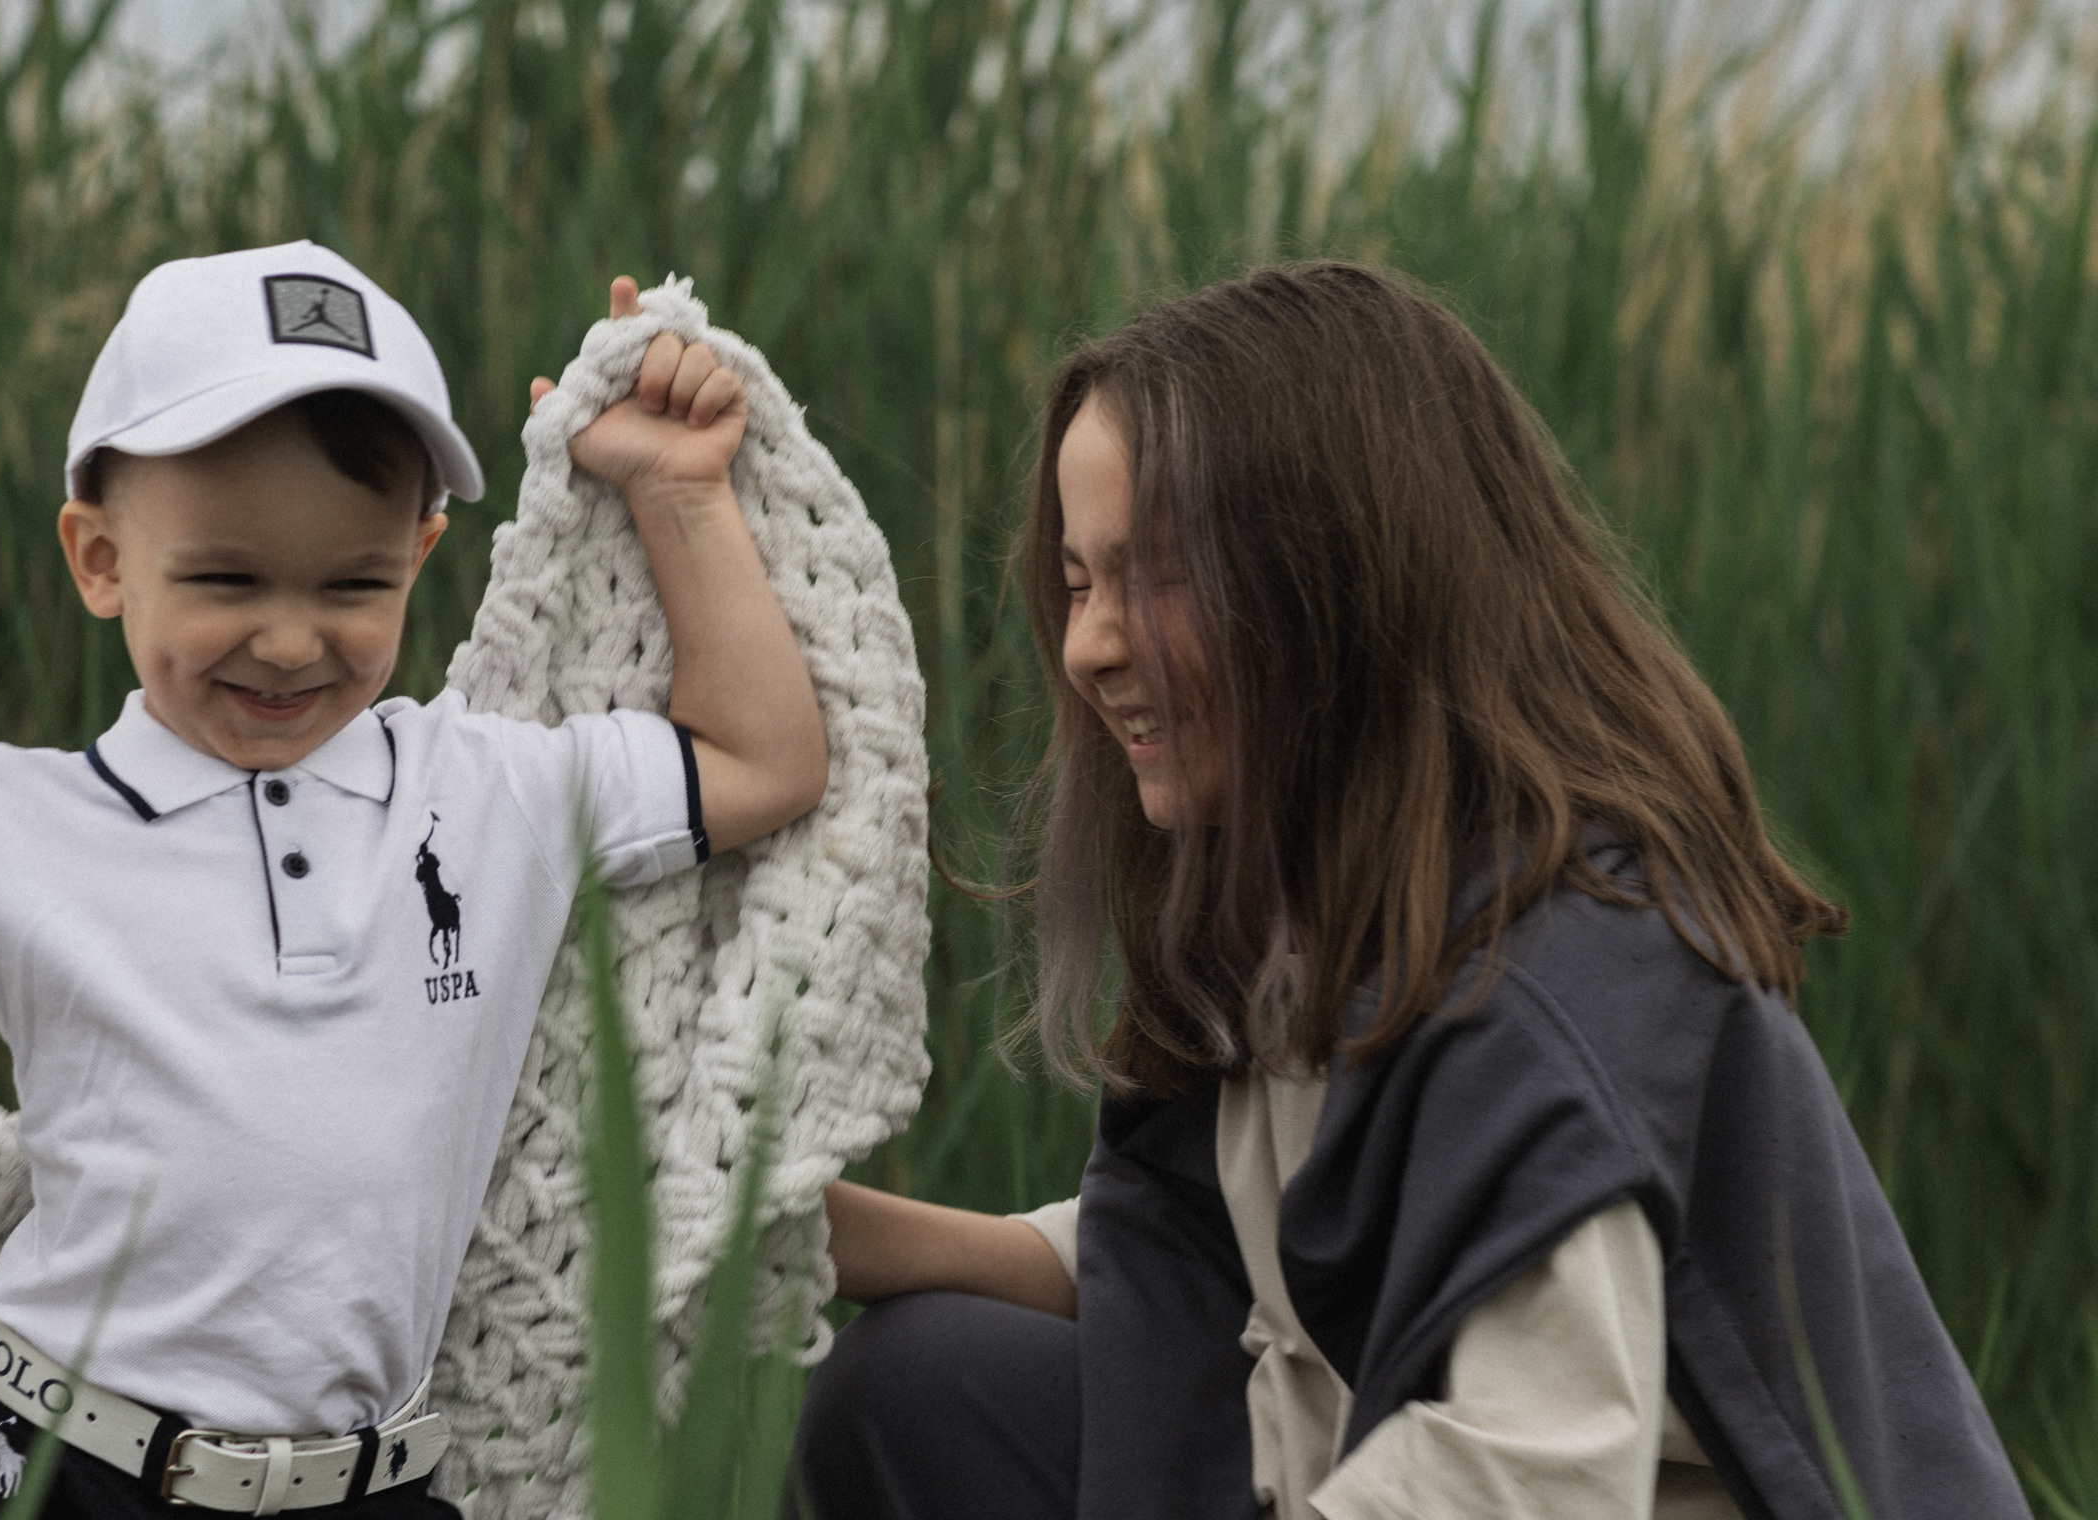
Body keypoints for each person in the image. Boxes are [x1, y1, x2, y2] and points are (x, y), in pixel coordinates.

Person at [795, 263, 2030, 1520]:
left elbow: (1534, 1469)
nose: (1091, 644)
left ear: (1341, 582)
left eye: (1157, 574)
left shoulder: (1556, 966)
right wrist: (803, 1237)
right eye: (1077, 582)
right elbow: (1184, 1263)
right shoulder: (1297, 920)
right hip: (1360, 1464)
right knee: (915, 1389)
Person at [0, 241, 829, 1518]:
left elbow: (760, 760)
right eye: (225, 578)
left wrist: (680, 496)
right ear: (101, 557)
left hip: (373, 1477)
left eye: (355, 583)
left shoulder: (491, 789)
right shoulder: (7, 822)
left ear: (423, 546)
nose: (290, 640)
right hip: (73, 1466)